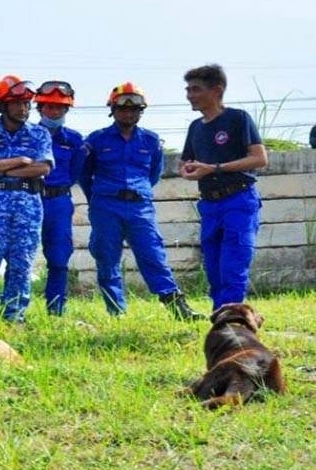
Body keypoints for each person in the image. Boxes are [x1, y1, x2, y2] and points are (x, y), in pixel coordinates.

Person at [80, 82, 205, 320]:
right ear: (113, 110)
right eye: (122, 109)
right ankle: (116, 312)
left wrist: (139, 193)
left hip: (140, 208)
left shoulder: (151, 140)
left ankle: (178, 308)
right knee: (107, 257)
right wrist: (98, 199)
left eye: (134, 109)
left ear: (141, 111)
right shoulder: (96, 140)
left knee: (153, 254)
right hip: (106, 206)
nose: (128, 113)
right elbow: (85, 175)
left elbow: (154, 174)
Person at [179, 64, 268, 310]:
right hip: (209, 204)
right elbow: (187, 160)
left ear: (216, 90)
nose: (189, 95)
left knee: (233, 265)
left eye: (196, 89)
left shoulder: (237, 119)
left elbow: (259, 158)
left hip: (238, 200)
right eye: (188, 89)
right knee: (214, 268)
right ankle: (221, 317)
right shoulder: (195, 127)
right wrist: (187, 169)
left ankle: (231, 322)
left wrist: (215, 168)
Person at [0, 76, 52, 322]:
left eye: (26, 103)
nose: (23, 108)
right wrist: (20, 160)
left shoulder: (41, 133)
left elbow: (43, 169)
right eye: (16, 103)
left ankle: (14, 317)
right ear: (2, 105)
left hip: (29, 203)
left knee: (22, 264)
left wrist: (0, 168)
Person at [34, 80, 86, 316]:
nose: (53, 111)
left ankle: (56, 310)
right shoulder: (29, 135)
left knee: (58, 258)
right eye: (48, 107)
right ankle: (15, 310)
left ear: (66, 110)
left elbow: (76, 172)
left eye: (59, 107)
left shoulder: (74, 140)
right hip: (30, 199)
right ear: (39, 108)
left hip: (58, 202)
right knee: (18, 255)